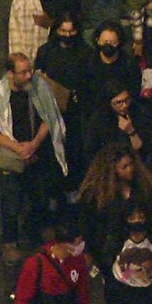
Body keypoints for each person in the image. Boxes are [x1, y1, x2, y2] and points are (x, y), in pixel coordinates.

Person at [0, 53, 69, 265]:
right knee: (11, 202)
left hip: (34, 152)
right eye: (23, 72)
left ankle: (38, 232)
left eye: (29, 70)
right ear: (11, 73)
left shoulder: (38, 87)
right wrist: (16, 147)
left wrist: (34, 144)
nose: (28, 75)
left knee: (39, 195)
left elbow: (48, 118)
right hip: (9, 155)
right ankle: (10, 244)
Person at [36, 12, 92, 192]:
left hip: (75, 111)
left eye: (71, 31)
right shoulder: (46, 51)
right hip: (50, 111)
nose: (67, 35)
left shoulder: (85, 52)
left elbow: (90, 80)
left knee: (73, 150)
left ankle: (72, 187)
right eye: (63, 31)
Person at [82, 83, 152, 177]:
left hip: (137, 164)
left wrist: (131, 131)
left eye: (127, 100)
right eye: (119, 103)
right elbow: (92, 152)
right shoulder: (99, 121)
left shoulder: (139, 112)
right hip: (109, 168)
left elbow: (143, 149)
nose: (125, 105)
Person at [84, 21, 142, 109]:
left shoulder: (129, 63)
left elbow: (134, 93)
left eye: (112, 42)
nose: (108, 45)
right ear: (98, 41)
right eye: (105, 42)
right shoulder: (88, 62)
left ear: (119, 42)